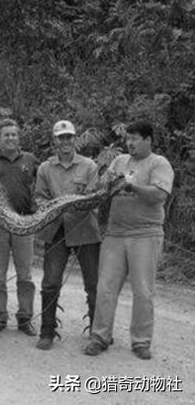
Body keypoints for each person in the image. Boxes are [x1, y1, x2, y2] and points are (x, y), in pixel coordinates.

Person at [84, 121, 174, 360]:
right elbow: (103, 187)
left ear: (148, 140)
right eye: (128, 139)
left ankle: (141, 342)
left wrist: (133, 186)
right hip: (115, 233)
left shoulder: (159, 163)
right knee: (105, 288)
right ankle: (99, 337)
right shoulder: (119, 161)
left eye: (135, 138)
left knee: (143, 291)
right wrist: (106, 185)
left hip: (145, 233)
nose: (130, 143)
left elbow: (160, 195)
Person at [33, 120, 101, 350]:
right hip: (55, 230)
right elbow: (39, 197)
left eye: (69, 137)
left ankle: (97, 333)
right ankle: (47, 332)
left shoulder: (90, 166)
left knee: (94, 284)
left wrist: (68, 205)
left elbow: (93, 197)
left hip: (85, 230)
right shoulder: (45, 168)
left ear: (75, 139)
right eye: (61, 137)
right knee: (50, 283)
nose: (66, 141)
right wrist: (52, 208)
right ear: (54, 140)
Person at [0, 119, 39, 336]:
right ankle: (1, 316)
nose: (10, 138)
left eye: (13, 134)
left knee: (25, 274)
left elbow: (40, 187)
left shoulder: (31, 160)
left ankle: (25, 318)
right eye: (6, 135)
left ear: (19, 137)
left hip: (24, 223)